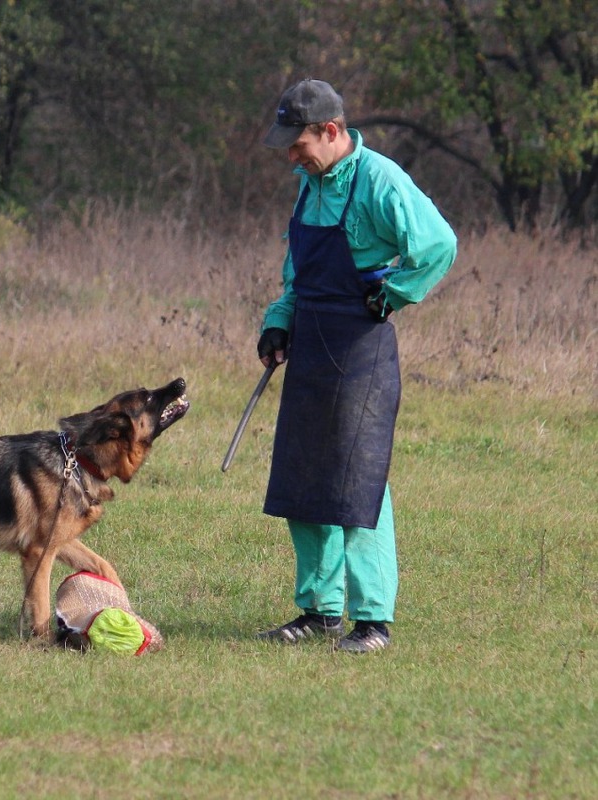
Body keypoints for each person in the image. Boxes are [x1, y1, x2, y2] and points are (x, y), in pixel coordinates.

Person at [255, 79, 457, 653]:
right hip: (311, 343)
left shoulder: (381, 180)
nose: (291, 155)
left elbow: (439, 244)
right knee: (304, 477)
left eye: (298, 143)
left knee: (357, 481)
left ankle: (373, 620)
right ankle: (319, 612)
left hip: (361, 347)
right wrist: (279, 319)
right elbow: (297, 273)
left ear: (332, 131)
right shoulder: (308, 185)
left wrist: (394, 293)